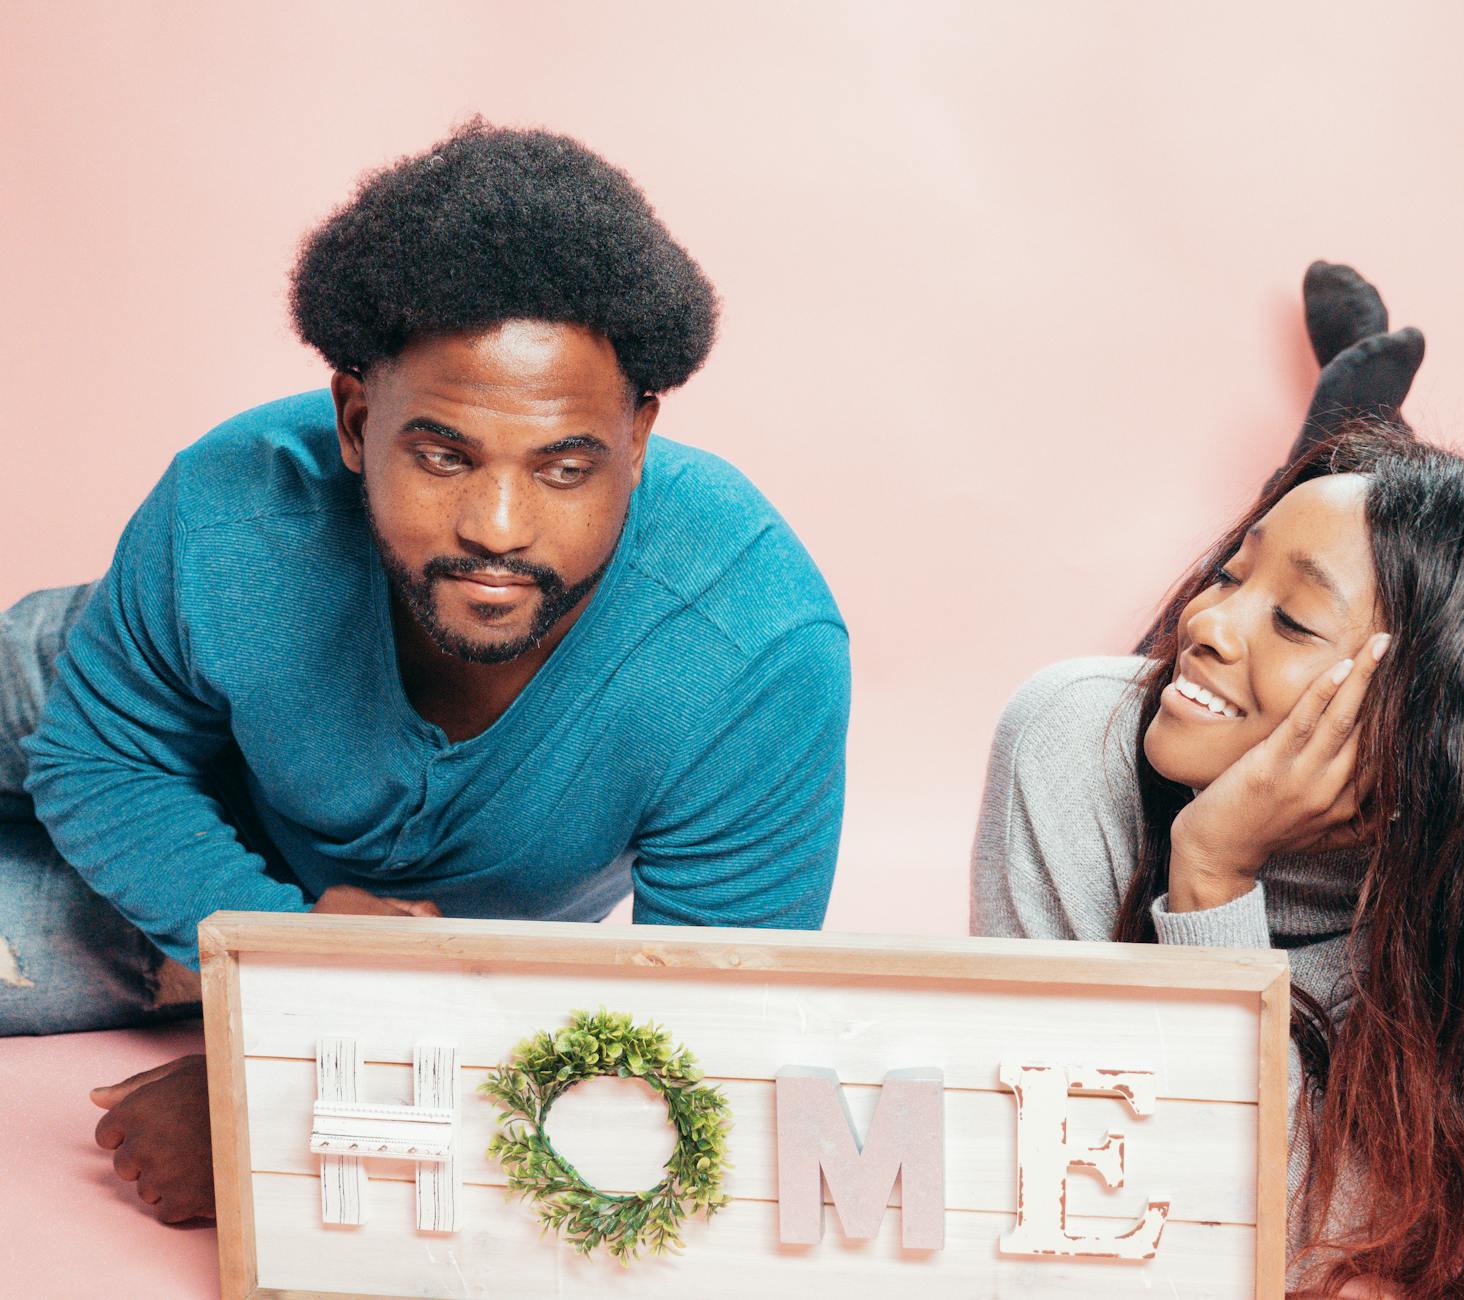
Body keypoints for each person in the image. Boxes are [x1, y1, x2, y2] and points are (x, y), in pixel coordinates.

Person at [0, 120, 851, 1221]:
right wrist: (294, 997)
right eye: (443, 454)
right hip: (109, 698)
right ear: (357, 418)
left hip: (198, 889)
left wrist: (302, 1109)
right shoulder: (232, 507)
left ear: (638, 438)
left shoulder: (752, 651)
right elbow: (100, 750)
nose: (497, 527)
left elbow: (701, 1045)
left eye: (565, 466)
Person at [970, 276, 1464, 1295]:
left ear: (1439, 736)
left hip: (1408, 804)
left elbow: (1288, 1244)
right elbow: (1063, 1177)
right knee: (1211, 647)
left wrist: (1212, 878)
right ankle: (1342, 432)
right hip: (1174, 748)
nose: (1204, 615)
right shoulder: (1072, 739)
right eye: (1225, 571)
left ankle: (1345, 444)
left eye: (1291, 620)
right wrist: (1206, 858)